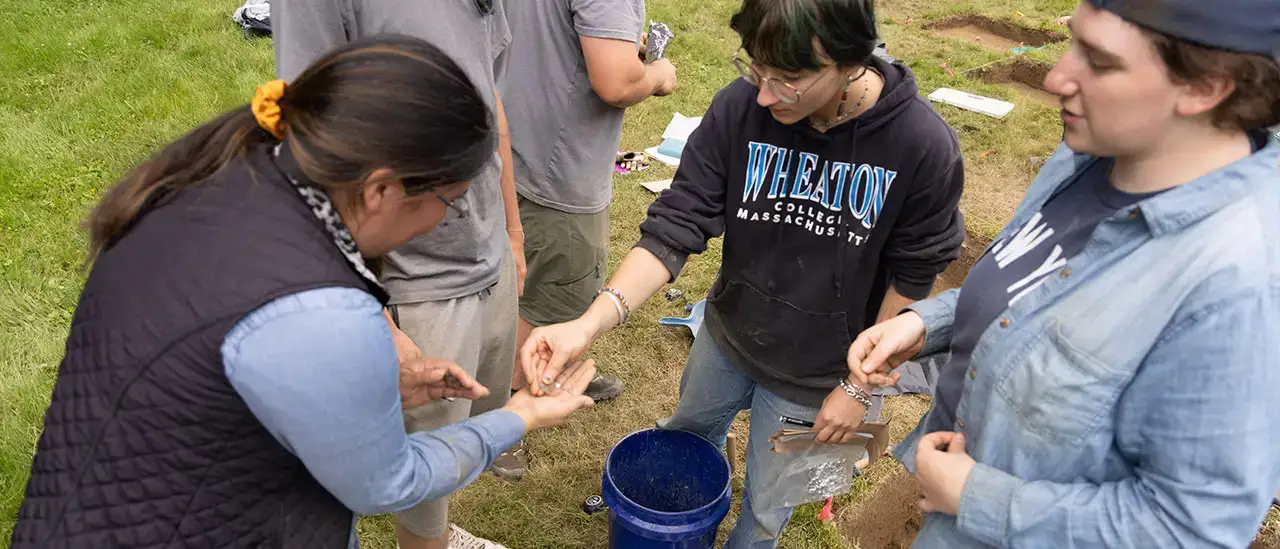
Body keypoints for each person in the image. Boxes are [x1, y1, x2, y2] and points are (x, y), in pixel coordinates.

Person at [8, 37, 596, 549]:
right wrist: (518, 416)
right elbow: (386, 483)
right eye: (447, 203)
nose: (442, 223)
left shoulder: (220, 176)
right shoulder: (321, 311)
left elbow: (226, 379)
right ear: (380, 189)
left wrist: (370, 387)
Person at [521, 0, 966, 545]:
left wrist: (858, 388)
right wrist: (585, 326)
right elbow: (674, 228)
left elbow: (914, 275)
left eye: (788, 79)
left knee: (766, 510)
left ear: (850, 60)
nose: (764, 94)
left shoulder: (922, 146)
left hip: (822, 375)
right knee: (684, 435)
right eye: (756, 69)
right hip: (728, 335)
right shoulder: (739, 109)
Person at [850, 1, 1280, 547]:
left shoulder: (1241, 288)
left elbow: (1193, 526)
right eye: (1073, 41)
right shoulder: (1092, 153)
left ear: (1207, 86)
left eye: (1099, 62)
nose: (1056, 77)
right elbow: (1042, 289)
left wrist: (981, 499)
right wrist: (926, 324)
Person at [272, 1, 526, 547]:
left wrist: (512, 232)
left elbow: (490, 103)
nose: (450, 204)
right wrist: (377, 318)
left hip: (487, 258)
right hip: (417, 288)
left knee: (446, 451)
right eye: (445, 196)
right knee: (416, 484)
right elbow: (309, 153)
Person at [495, 0, 678, 473]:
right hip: (557, 164)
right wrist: (657, 73)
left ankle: (543, 371)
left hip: (510, 134)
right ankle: (516, 403)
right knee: (557, 287)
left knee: (518, 274)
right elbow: (616, 81)